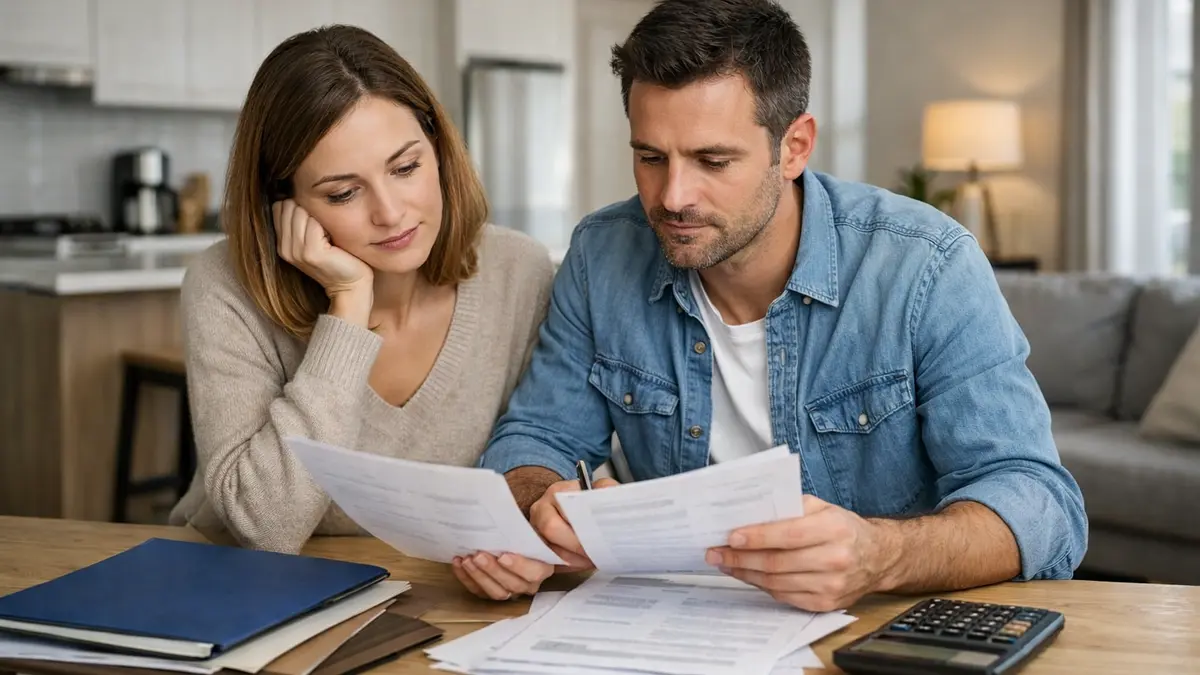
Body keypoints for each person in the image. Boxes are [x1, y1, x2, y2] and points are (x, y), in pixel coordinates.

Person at [455, 0, 1088, 610]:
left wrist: (881, 555)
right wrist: (542, 501)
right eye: (650, 158)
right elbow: (536, 437)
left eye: (713, 160)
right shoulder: (601, 255)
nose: (673, 197)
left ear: (795, 147)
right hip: (668, 625)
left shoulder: (925, 264)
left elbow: (1040, 501)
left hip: (873, 631)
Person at [168, 25, 556, 554]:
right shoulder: (226, 286)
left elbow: (554, 466)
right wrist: (348, 308)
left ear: (438, 149)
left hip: (441, 591)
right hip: (243, 585)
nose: (391, 213)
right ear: (285, 201)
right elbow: (266, 526)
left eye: (406, 167)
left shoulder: (520, 271)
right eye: (344, 193)